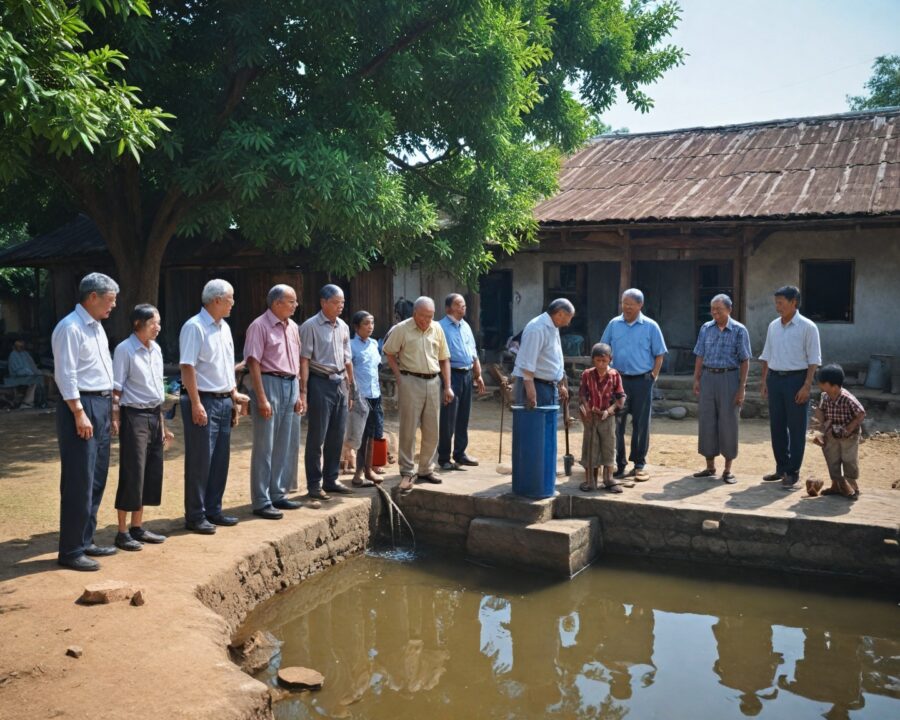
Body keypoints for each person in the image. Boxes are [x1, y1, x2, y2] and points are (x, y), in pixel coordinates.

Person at [51, 272, 119, 571]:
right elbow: (66, 374)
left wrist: (111, 407)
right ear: (92, 296)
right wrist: (79, 411)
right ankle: (70, 550)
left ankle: (86, 538)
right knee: (79, 478)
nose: (113, 305)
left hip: (101, 404)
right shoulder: (70, 328)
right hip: (82, 404)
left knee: (97, 476)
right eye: (110, 299)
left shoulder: (97, 328)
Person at [179, 279, 249, 534]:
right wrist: (196, 403)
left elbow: (225, 366)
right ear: (217, 299)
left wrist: (234, 395)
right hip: (203, 399)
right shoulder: (194, 327)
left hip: (223, 399)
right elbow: (187, 367)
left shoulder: (224, 328)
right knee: (200, 460)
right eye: (230, 298)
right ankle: (195, 515)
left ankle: (213, 509)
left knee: (220, 458)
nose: (233, 303)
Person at [111, 304, 173, 551]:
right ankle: (122, 531)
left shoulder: (156, 349)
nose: (158, 327)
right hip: (133, 415)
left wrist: (163, 425)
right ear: (138, 324)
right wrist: (115, 417)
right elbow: (117, 389)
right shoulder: (124, 349)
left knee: (150, 470)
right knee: (132, 471)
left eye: (158, 322)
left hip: (153, 415)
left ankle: (138, 526)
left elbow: (157, 390)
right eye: (153, 323)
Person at [244, 284, 305, 520]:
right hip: (269, 384)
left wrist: (300, 393)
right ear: (277, 303)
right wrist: (260, 397)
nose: (295, 305)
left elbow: (297, 362)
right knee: (264, 444)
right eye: (291, 301)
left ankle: (278, 493)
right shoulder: (259, 326)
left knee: (285, 442)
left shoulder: (293, 327)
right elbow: (253, 363)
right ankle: (261, 500)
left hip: (291, 384)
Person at [383, 296, 453, 494]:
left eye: (430, 316)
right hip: (410, 380)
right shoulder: (402, 329)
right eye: (422, 316)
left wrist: (447, 386)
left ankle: (426, 469)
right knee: (409, 427)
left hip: (433, 381)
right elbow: (389, 352)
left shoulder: (437, 328)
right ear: (414, 313)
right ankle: (407, 470)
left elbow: (444, 358)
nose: (426, 320)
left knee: (433, 428)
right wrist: (399, 377)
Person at [601, 288, 667, 482]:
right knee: (617, 424)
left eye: (630, 304)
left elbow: (659, 354)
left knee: (641, 424)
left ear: (640, 305)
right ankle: (619, 464)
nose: (626, 307)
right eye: (624, 303)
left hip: (642, 381)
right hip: (618, 381)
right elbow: (604, 349)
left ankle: (639, 464)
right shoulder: (614, 324)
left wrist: (653, 375)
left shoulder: (651, 326)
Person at [759, 285, 821, 490]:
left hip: (797, 380)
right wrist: (765, 382)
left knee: (796, 428)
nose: (777, 307)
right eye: (776, 303)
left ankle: (793, 471)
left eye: (781, 303)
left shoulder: (808, 327)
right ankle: (781, 467)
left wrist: (806, 386)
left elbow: (813, 360)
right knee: (777, 426)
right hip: (775, 379)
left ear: (794, 302)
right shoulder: (773, 326)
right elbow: (767, 356)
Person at [299, 284, 356, 500]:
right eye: (336, 302)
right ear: (323, 302)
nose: (340, 306)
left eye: (342, 302)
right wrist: (303, 391)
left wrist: (350, 388)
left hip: (340, 382)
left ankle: (331, 479)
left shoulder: (342, 326)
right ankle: (314, 484)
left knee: (337, 434)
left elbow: (347, 359)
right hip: (319, 382)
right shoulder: (309, 326)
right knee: (317, 436)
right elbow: (303, 360)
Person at [691, 294, 752, 484]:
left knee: (728, 422)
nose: (715, 313)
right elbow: (699, 355)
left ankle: (727, 470)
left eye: (719, 309)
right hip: (708, 377)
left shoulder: (739, 330)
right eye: (712, 309)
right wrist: (697, 378)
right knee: (707, 420)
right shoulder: (706, 328)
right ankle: (710, 467)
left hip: (730, 377)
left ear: (729, 309)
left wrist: (742, 387)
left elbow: (745, 360)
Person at [437, 293, 486, 471]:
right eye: (459, 304)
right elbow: (441, 357)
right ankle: (444, 457)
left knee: (463, 416)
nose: (463, 307)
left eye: (464, 304)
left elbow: (473, 352)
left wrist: (477, 374)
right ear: (449, 308)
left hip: (466, 374)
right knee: (448, 417)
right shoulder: (440, 327)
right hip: (451, 375)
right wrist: (447, 384)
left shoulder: (465, 326)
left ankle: (460, 454)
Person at [578, 343, 626, 493]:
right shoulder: (587, 374)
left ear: (610, 359)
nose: (601, 364)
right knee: (591, 446)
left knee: (608, 446)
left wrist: (610, 410)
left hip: (607, 417)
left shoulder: (614, 375)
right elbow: (582, 394)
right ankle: (590, 480)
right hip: (591, 417)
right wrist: (586, 407)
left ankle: (608, 479)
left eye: (604, 361)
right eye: (598, 361)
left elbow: (621, 397)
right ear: (593, 360)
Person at [812, 364, 865, 500]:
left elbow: (861, 414)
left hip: (849, 437)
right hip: (832, 434)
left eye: (822, 383)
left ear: (834, 386)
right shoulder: (825, 396)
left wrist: (849, 429)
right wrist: (821, 428)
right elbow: (821, 411)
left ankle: (852, 487)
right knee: (832, 460)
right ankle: (836, 485)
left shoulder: (848, 399)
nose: (820, 385)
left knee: (849, 460)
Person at [511, 299, 574, 408]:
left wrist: (560, 383)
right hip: (535, 385)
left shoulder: (553, 327)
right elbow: (527, 363)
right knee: (533, 423)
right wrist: (531, 393)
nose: (569, 323)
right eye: (570, 317)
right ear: (560, 314)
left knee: (547, 424)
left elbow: (554, 357)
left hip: (548, 386)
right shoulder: (537, 328)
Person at [349, 310, 385, 487]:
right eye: (366, 324)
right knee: (360, 435)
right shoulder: (351, 346)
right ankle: (358, 473)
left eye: (372, 323)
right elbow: (349, 372)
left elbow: (375, 369)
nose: (370, 327)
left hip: (375, 395)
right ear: (356, 327)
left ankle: (370, 468)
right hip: (360, 396)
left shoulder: (373, 344)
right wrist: (352, 395)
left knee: (373, 433)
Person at [6, 339, 52, 408]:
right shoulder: (13, 355)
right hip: (17, 378)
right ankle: (27, 403)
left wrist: (38, 372)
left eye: (22, 345)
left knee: (44, 377)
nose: (21, 347)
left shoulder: (25, 354)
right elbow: (18, 371)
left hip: (29, 376)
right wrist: (30, 373)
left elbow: (33, 366)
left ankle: (42, 402)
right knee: (35, 381)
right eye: (19, 345)